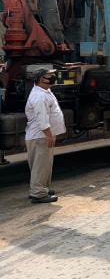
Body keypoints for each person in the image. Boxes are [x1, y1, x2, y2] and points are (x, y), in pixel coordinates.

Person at [25, 68, 65, 203]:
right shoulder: (39, 96)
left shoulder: (44, 91)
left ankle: (42, 188)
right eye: (50, 76)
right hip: (40, 135)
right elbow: (42, 119)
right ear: (41, 79)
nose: (53, 78)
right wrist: (48, 135)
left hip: (42, 135)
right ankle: (38, 193)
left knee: (44, 165)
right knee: (40, 165)